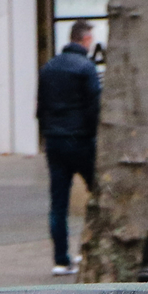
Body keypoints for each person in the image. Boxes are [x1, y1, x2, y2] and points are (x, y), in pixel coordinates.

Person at [37, 22, 101, 276]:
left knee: (58, 202)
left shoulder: (49, 67)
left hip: (55, 140)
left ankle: (61, 259)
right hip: (82, 140)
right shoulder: (86, 67)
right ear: (85, 40)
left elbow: (41, 107)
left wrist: (48, 133)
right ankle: (91, 248)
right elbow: (93, 106)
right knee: (98, 194)